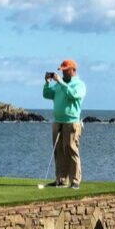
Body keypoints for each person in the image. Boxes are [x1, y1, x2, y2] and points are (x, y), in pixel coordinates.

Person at [42, 58, 87, 189]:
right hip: (58, 122)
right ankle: (61, 180)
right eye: (62, 70)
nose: (63, 73)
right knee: (59, 151)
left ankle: (75, 180)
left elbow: (72, 95)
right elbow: (47, 94)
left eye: (65, 70)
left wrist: (60, 82)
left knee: (71, 150)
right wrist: (47, 83)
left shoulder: (79, 85)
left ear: (73, 70)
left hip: (71, 122)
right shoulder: (59, 84)